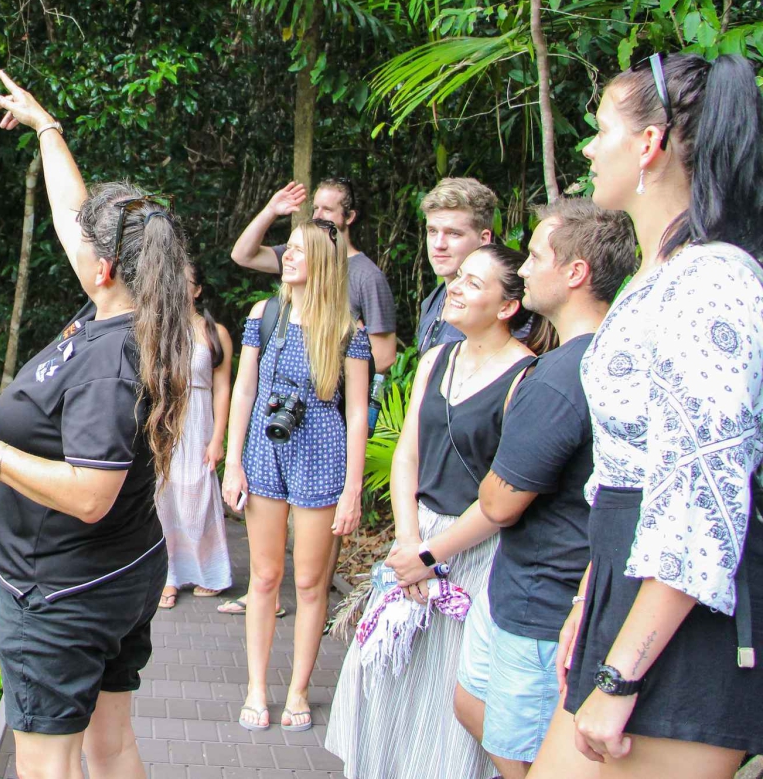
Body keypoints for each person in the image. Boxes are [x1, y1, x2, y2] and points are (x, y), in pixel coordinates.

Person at [0, 70, 194, 779]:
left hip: (65, 590)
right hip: (119, 571)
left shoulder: (110, 362)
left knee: (47, 766)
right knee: (112, 745)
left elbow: (90, 491)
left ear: (105, 268)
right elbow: (79, 221)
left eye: (86, 246)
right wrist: (47, 127)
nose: (77, 246)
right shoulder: (136, 315)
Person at [529, 53, 763, 778]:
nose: (589, 148)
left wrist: (621, 674)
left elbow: (705, 493)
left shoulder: (714, 281)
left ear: (651, 144)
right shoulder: (657, 272)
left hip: (681, 630)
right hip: (626, 593)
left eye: (601, 130)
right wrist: (587, 602)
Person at [325, 243, 550, 779]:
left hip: (473, 549)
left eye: (474, 283)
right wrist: (408, 541)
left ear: (506, 306)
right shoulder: (437, 358)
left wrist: (431, 554)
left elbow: (505, 498)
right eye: (459, 277)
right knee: (382, 675)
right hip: (416, 533)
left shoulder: (527, 377)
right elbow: (407, 452)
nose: (456, 286)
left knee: (444, 691)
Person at [454, 200, 637, 778]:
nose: (525, 268)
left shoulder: (560, 378)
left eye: (535, 256)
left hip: (542, 601)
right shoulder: (601, 357)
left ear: (575, 273)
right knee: (472, 706)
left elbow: (498, 501)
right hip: (520, 584)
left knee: (522, 756)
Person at [221, 218, 371, 732]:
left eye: (299, 251)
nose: (287, 256)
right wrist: (232, 460)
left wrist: (353, 489)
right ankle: (257, 689)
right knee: (265, 576)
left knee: (310, 583)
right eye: (288, 249)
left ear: (323, 263)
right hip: (265, 446)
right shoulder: (265, 314)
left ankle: (299, 690)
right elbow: (244, 390)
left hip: (321, 451)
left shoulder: (347, 329)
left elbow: (356, 413)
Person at [231, 177, 397, 375]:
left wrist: (332, 385)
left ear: (350, 217)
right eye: (315, 208)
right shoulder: (297, 256)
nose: (318, 215)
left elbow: (384, 356)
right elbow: (242, 255)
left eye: (327, 209)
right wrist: (270, 211)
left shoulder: (367, 276)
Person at [156, 266, 234, 608]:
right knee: (163, 497)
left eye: (184, 281)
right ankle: (167, 577)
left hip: (200, 417)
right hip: (166, 421)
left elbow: (223, 387)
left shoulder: (215, 332)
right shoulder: (160, 328)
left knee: (197, 498)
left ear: (198, 290)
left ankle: (211, 573)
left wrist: (218, 438)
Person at [415, 177, 498, 350]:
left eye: (453, 233)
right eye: (432, 231)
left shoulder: (496, 308)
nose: (438, 244)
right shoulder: (432, 301)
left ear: (484, 239)